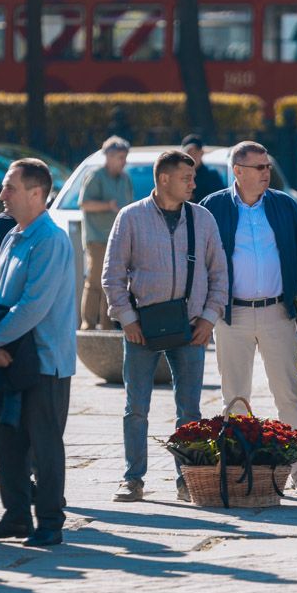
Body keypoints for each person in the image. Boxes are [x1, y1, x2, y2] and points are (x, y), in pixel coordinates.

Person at [103, 149, 228, 502]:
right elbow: (112, 275)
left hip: (190, 327)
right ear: (163, 180)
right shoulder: (130, 217)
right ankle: (133, 478)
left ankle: (187, 479)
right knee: (136, 407)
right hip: (142, 327)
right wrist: (127, 319)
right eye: (186, 178)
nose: (194, 183)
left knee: (190, 410)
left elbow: (219, 273)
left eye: (193, 177)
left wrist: (209, 318)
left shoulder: (202, 219)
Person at [202, 141, 297, 494]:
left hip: (277, 312)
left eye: (268, 166)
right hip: (232, 314)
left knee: (288, 393)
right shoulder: (214, 207)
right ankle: (238, 466)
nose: (266, 173)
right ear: (238, 171)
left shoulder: (284, 205)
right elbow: (206, 262)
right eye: (259, 168)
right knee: (234, 395)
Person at [0, 159, 76, 547]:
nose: (2, 195)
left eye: (9, 187)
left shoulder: (50, 239)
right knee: (7, 439)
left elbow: (34, 306)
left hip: (45, 361)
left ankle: (50, 521)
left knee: (44, 445)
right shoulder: (14, 236)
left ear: (36, 193)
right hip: (11, 358)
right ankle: (15, 516)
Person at [79, 136, 134, 329]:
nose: (124, 161)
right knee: (94, 282)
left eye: (124, 157)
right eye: (120, 157)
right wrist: (106, 206)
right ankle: (88, 324)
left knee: (112, 284)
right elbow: (85, 204)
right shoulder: (96, 176)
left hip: (118, 239)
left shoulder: (126, 179)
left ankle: (107, 324)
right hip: (97, 240)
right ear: (109, 156)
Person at [184, 134, 226, 203]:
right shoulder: (178, 175)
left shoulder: (212, 175)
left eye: (195, 152)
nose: (192, 156)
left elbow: (219, 201)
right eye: (189, 153)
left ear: (202, 153)